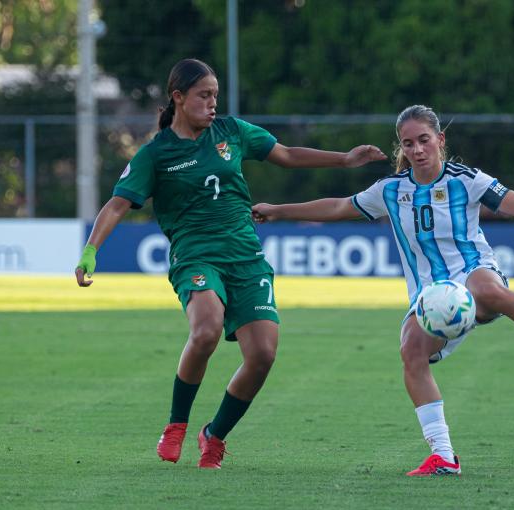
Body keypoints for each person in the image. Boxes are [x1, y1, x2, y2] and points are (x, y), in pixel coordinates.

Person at [252, 104, 514, 476]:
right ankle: (444, 456)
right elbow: (337, 207)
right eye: (408, 143)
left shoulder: (467, 180)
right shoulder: (390, 191)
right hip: (429, 297)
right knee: (410, 353)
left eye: (424, 140)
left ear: (440, 140)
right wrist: (280, 211)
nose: (416, 150)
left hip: (473, 271)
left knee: (487, 289)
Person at [74, 59, 386, 469]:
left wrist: (344, 160)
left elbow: (288, 154)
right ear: (178, 98)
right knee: (205, 330)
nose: (212, 103)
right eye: (204, 95)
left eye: (215, 96)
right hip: (196, 255)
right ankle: (176, 426)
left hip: (246, 257)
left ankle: (214, 435)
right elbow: (117, 205)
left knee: (263, 355)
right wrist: (90, 251)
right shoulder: (156, 155)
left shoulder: (232, 132)